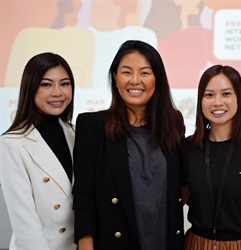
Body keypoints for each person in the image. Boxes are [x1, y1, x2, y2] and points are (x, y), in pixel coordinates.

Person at [72, 40, 185, 249]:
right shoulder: (92, 126)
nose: (135, 81)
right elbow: (84, 196)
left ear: (157, 79)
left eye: (144, 73)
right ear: (115, 77)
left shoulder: (173, 122)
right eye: (126, 72)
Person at [180, 64, 241, 249]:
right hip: (196, 244)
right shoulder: (187, 148)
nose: (217, 102)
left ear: (239, 98)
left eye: (226, 94)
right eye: (209, 95)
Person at [0, 52, 76, 249]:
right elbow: (25, 225)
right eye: (46, 84)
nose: (57, 93)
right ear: (30, 87)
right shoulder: (12, 143)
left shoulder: (76, 134)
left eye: (65, 84)